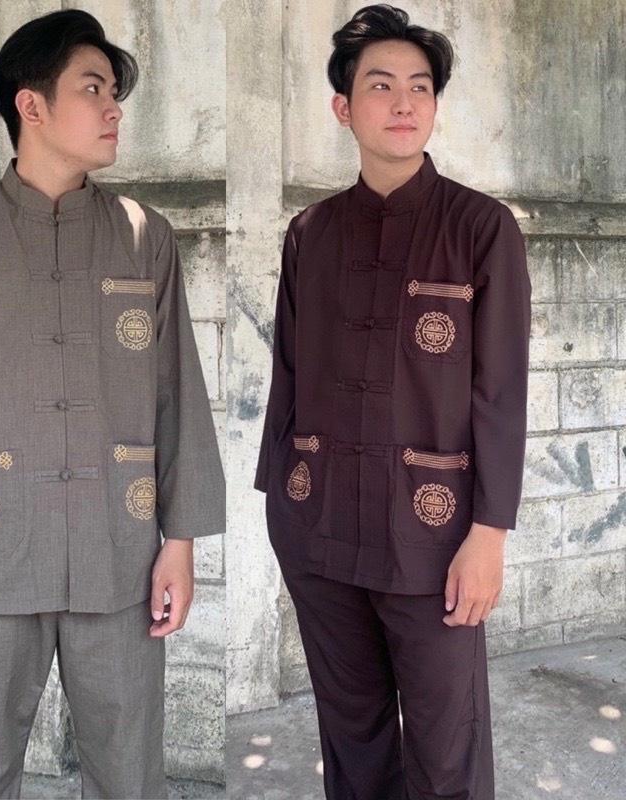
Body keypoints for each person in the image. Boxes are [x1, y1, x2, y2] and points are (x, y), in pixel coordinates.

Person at [0, 9, 224, 799]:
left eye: (114, 92)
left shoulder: (145, 236)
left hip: (119, 551)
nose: (114, 109)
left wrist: (178, 541)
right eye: (93, 89)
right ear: (30, 106)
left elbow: (176, 391)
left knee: (129, 771)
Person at [254, 5, 530, 799]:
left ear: (436, 105)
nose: (403, 102)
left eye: (420, 87)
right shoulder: (310, 232)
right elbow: (288, 376)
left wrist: (489, 535)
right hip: (319, 530)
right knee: (354, 743)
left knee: (447, 754)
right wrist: (281, 510)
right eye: (381, 85)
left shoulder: (481, 229)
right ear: (344, 107)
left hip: (433, 538)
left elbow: (501, 393)